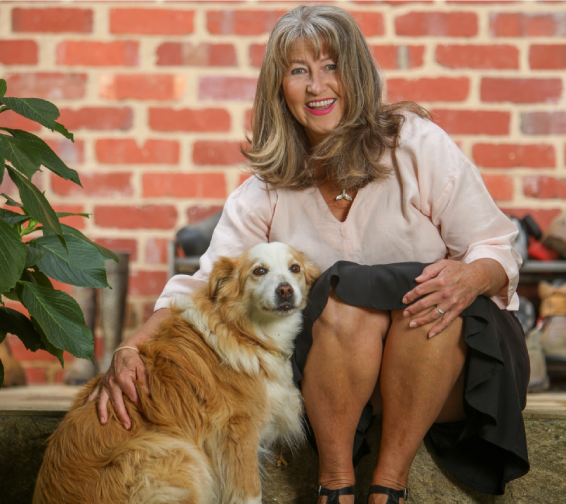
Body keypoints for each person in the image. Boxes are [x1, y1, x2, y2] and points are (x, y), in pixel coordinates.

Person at [89, 5, 529, 503]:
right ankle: (335, 485)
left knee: (423, 306)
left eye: (331, 66)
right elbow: (205, 284)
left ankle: (389, 489)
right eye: (299, 71)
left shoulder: (416, 145)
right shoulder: (266, 189)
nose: (317, 86)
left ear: (356, 73)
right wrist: (131, 348)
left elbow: (495, 246)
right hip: (338, 372)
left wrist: (470, 278)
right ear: (280, 88)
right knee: (345, 305)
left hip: (442, 363)